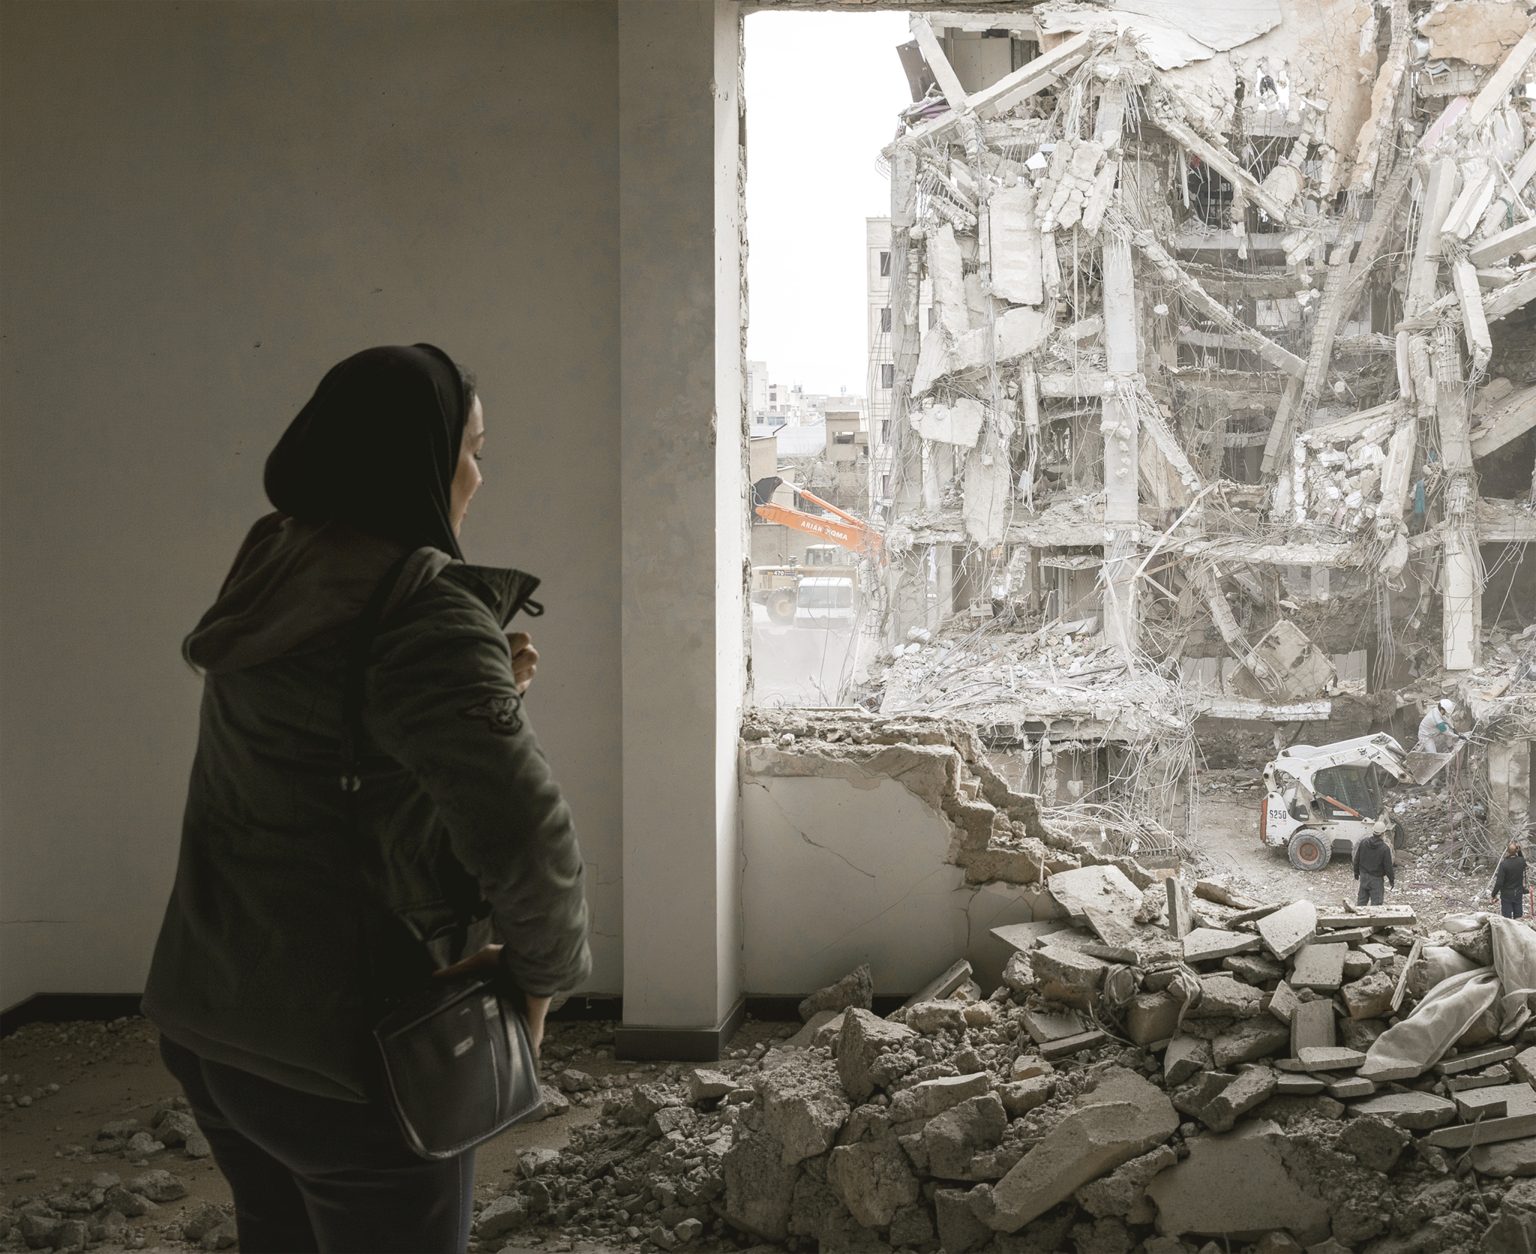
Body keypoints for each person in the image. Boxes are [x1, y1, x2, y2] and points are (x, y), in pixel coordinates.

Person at [142, 344, 590, 1254]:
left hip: (211, 1019)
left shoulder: (274, 558)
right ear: (414, 462)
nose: (478, 477)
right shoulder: (427, 613)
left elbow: (319, 741)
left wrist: (483, 692)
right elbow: (528, 843)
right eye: (471, 452)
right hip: (353, 1057)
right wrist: (534, 990)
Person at [1352, 816, 1395, 907]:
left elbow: (1356, 859)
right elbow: (1388, 867)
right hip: (1376, 880)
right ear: (1383, 833)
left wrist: (1356, 873)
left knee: (1361, 903)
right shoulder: (1384, 849)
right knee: (1376, 906)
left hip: (1364, 877)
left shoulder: (1363, 842)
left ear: (1373, 831)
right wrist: (1391, 880)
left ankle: (1359, 916)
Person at [1492, 841, 1528, 919]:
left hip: (1506, 894)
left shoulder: (1504, 864)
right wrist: (1519, 851)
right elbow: (1522, 860)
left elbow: (1499, 883)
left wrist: (1493, 894)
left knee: (1507, 918)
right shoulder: (1521, 861)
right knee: (1518, 918)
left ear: (1507, 851)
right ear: (1516, 850)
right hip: (1518, 893)